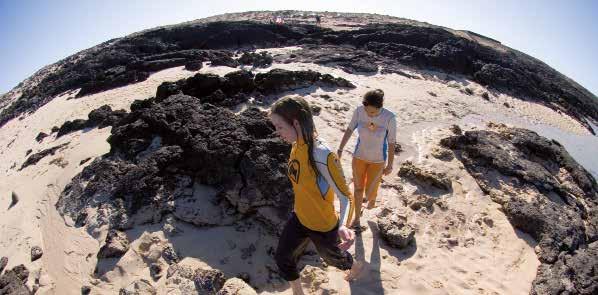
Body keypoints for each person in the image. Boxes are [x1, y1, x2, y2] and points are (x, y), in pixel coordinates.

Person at [270, 96, 363, 294]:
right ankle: (298, 291)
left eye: (280, 127)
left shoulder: (323, 154)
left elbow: (345, 196)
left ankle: (355, 266)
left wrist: (344, 225)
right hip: (299, 217)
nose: (277, 133)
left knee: (334, 259)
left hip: (322, 224)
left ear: (295, 122)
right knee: (282, 257)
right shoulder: (296, 145)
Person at [337, 89, 397, 229]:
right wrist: (340, 149)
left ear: (380, 107)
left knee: (369, 192)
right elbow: (350, 129)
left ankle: (371, 199)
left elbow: (392, 142)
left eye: (373, 113)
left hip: (378, 161)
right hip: (359, 157)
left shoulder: (389, 118)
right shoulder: (359, 111)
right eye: (367, 111)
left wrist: (390, 165)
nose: (370, 115)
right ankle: (357, 218)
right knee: (358, 189)